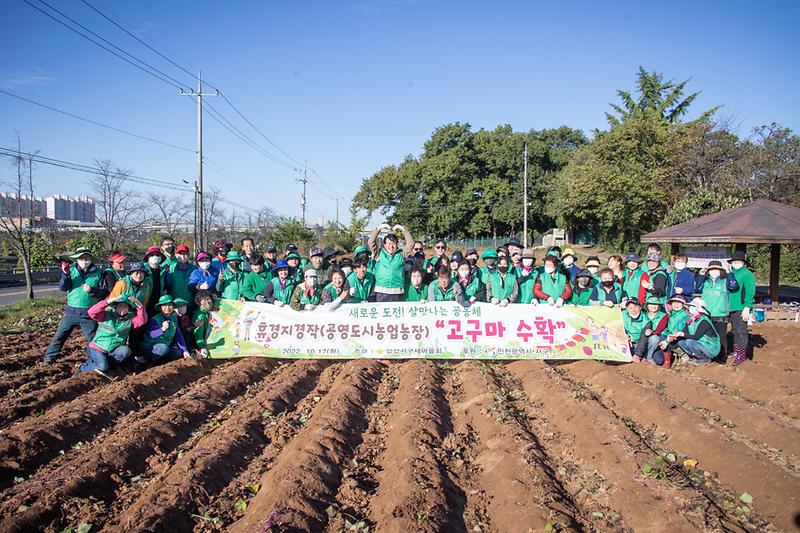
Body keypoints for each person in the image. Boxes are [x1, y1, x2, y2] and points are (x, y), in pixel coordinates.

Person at [43, 247, 106, 363]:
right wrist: (65, 274)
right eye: (81, 258)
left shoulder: (98, 273)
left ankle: (92, 360)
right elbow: (63, 287)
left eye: (86, 258)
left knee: (92, 339)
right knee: (60, 336)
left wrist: (92, 290)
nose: (84, 260)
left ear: (91, 259)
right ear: (77, 260)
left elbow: (104, 292)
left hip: (89, 313)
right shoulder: (71, 271)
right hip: (72, 312)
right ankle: (49, 358)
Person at [80, 294, 146, 374]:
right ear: (115, 307)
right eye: (120, 306)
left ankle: (111, 365)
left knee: (126, 351)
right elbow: (92, 312)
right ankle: (83, 367)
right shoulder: (106, 315)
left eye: (125, 307)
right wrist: (108, 301)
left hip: (113, 350)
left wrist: (139, 306)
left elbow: (142, 320)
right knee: (103, 367)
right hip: (98, 348)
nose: (122, 309)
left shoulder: (129, 321)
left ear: (128, 309)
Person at [694, 260, 738, 361]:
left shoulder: (725, 281)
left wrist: (729, 273)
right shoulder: (705, 282)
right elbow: (696, 288)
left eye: (716, 269)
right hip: (707, 314)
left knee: (721, 336)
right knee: (709, 336)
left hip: (720, 314)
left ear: (720, 270)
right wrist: (700, 275)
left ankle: (722, 357)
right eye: (711, 269)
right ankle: (710, 356)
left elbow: (734, 286)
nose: (714, 271)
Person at [665, 298, 720, 365]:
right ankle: (696, 357)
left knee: (689, 342)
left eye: (693, 306)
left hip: (710, 347)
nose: (691, 308)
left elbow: (696, 336)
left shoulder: (704, 321)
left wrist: (682, 334)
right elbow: (686, 332)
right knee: (681, 342)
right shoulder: (691, 320)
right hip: (700, 343)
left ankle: (704, 358)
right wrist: (676, 335)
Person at [368, 223, 414, 302]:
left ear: (397, 245)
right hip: (381, 291)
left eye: (394, 243)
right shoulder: (379, 253)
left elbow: (411, 243)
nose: (391, 246)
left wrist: (403, 229)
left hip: (397, 291)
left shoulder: (401, 254)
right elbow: (370, 242)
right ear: (384, 245)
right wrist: (379, 229)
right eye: (389, 243)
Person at [137, 295, 190, 364]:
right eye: (164, 305)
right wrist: (162, 329)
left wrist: (185, 351)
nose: (167, 307)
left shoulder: (174, 319)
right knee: (163, 348)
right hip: (151, 346)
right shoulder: (155, 319)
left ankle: (161, 361)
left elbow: (178, 335)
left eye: (170, 305)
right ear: (160, 308)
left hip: (166, 346)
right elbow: (152, 334)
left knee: (177, 352)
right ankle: (148, 360)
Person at [728, 251, 756, 366]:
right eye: (734, 261)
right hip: (732, 306)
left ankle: (742, 355)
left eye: (738, 261)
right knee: (735, 330)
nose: (736, 263)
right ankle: (736, 351)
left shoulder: (747, 274)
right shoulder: (732, 273)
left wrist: (747, 306)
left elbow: (750, 291)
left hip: (741, 306)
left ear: (743, 263)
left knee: (741, 332)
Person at [657, 294, 691, 368]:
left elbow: (679, 330)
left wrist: (667, 340)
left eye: (679, 303)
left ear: (683, 305)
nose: (676, 305)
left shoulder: (685, 316)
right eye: (674, 302)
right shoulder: (671, 313)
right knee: (662, 337)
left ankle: (683, 355)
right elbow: (668, 328)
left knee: (669, 342)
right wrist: (664, 334)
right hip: (671, 335)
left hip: (680, 337)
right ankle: (667, 361)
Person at [633, 297, 669, 365]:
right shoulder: (642, 314)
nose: (653, 306)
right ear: (647, 305)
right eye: (651, 304)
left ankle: (648, 357)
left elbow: (660, 329)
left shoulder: (663, 316)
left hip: (657, 342)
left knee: (659, 360)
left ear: (659, 306)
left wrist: (652, 332)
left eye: (656, 304)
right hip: (641, 340)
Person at [143, 246, 169, 317]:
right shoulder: (142, 270)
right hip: (144, 304)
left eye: (157, 255)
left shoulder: (163, 271)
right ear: (148, 257)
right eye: (152, 255)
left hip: (158, 305)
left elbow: (165, 289)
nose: (155, 256)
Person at [191, 291, 214, 358]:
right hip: (205, 340)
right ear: (199, 303)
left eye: (208, 299)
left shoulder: (213, 309)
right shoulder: (199, 316)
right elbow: (198, 334)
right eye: (204, 300)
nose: (207, 302)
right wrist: (203, 347)